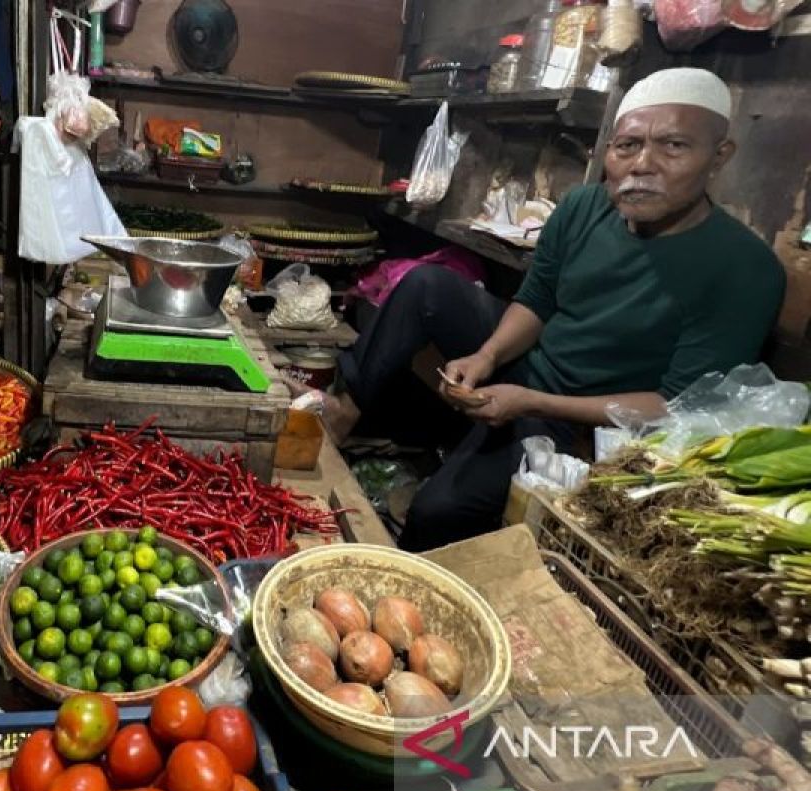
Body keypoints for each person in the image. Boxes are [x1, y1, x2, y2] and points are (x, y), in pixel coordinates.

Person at [315, 68, 786, 551]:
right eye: (627, 146)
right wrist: (488, 357)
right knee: (425, 285)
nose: (642, 164)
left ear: (719, 157)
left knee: (438, 510)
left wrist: (531, 402)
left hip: (593, 422)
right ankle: (344, 413)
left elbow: (675, 408)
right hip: (536, 369)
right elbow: (536, 302)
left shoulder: (744, 268)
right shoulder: (584, 207)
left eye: (673, 147)